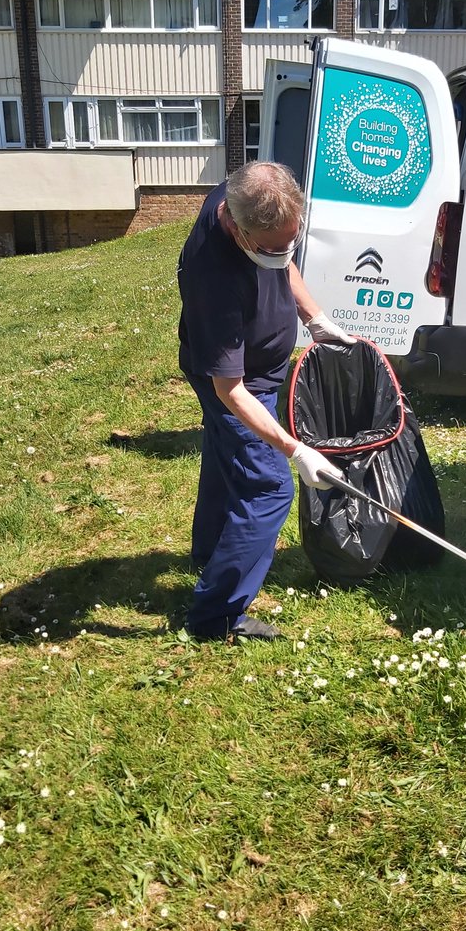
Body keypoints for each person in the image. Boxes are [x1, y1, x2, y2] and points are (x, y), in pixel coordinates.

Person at [176, 161, 354, 641]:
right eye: (269, 249)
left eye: (288, 243)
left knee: (224, 459)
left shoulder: (251, 195)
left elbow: (281, 260)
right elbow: (229, 390)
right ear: (235, 227)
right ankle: (215, 616)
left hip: (256, 369)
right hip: (238, 381)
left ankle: (211, 556)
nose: (281, 256)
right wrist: (293, 451)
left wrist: (315, 317)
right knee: (268, 488)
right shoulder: (210, 276)